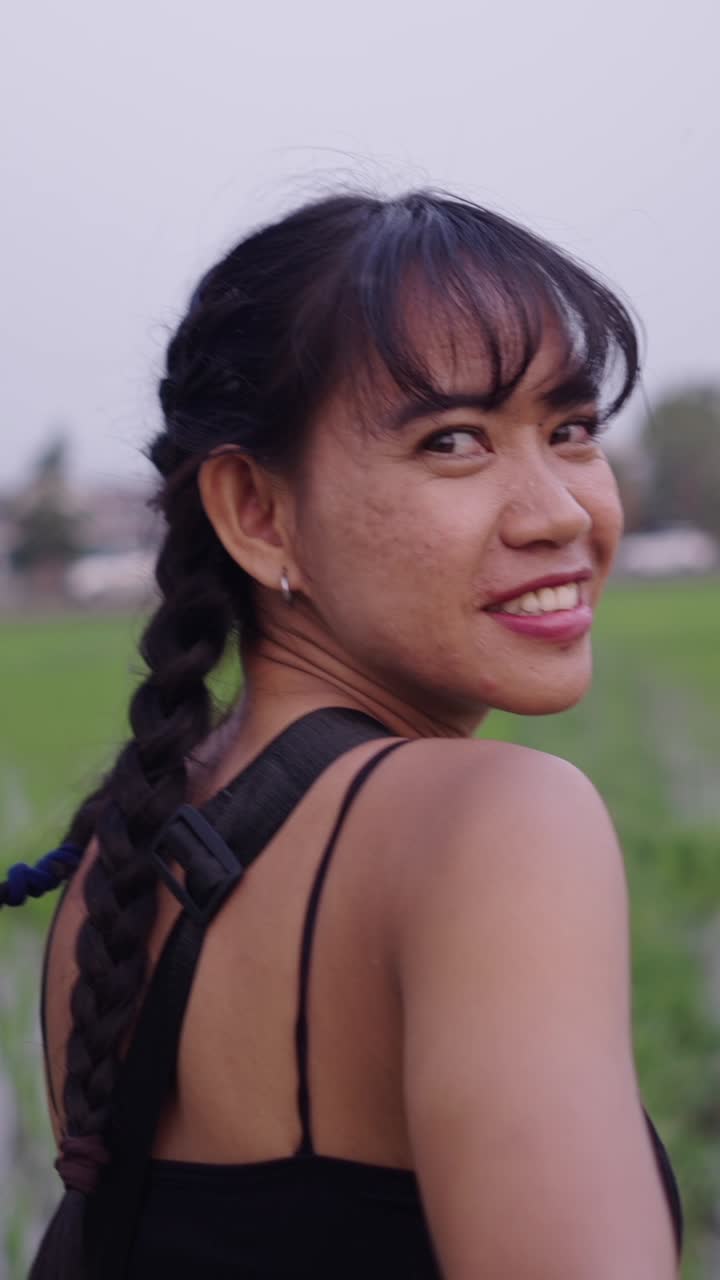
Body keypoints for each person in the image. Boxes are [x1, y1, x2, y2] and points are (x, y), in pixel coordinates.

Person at [2, 191, 682, 1278]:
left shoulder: (123, 858)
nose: (560, 510)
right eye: (453, 441)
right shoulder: (499, 825)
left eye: (571, 430)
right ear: (258, 512)